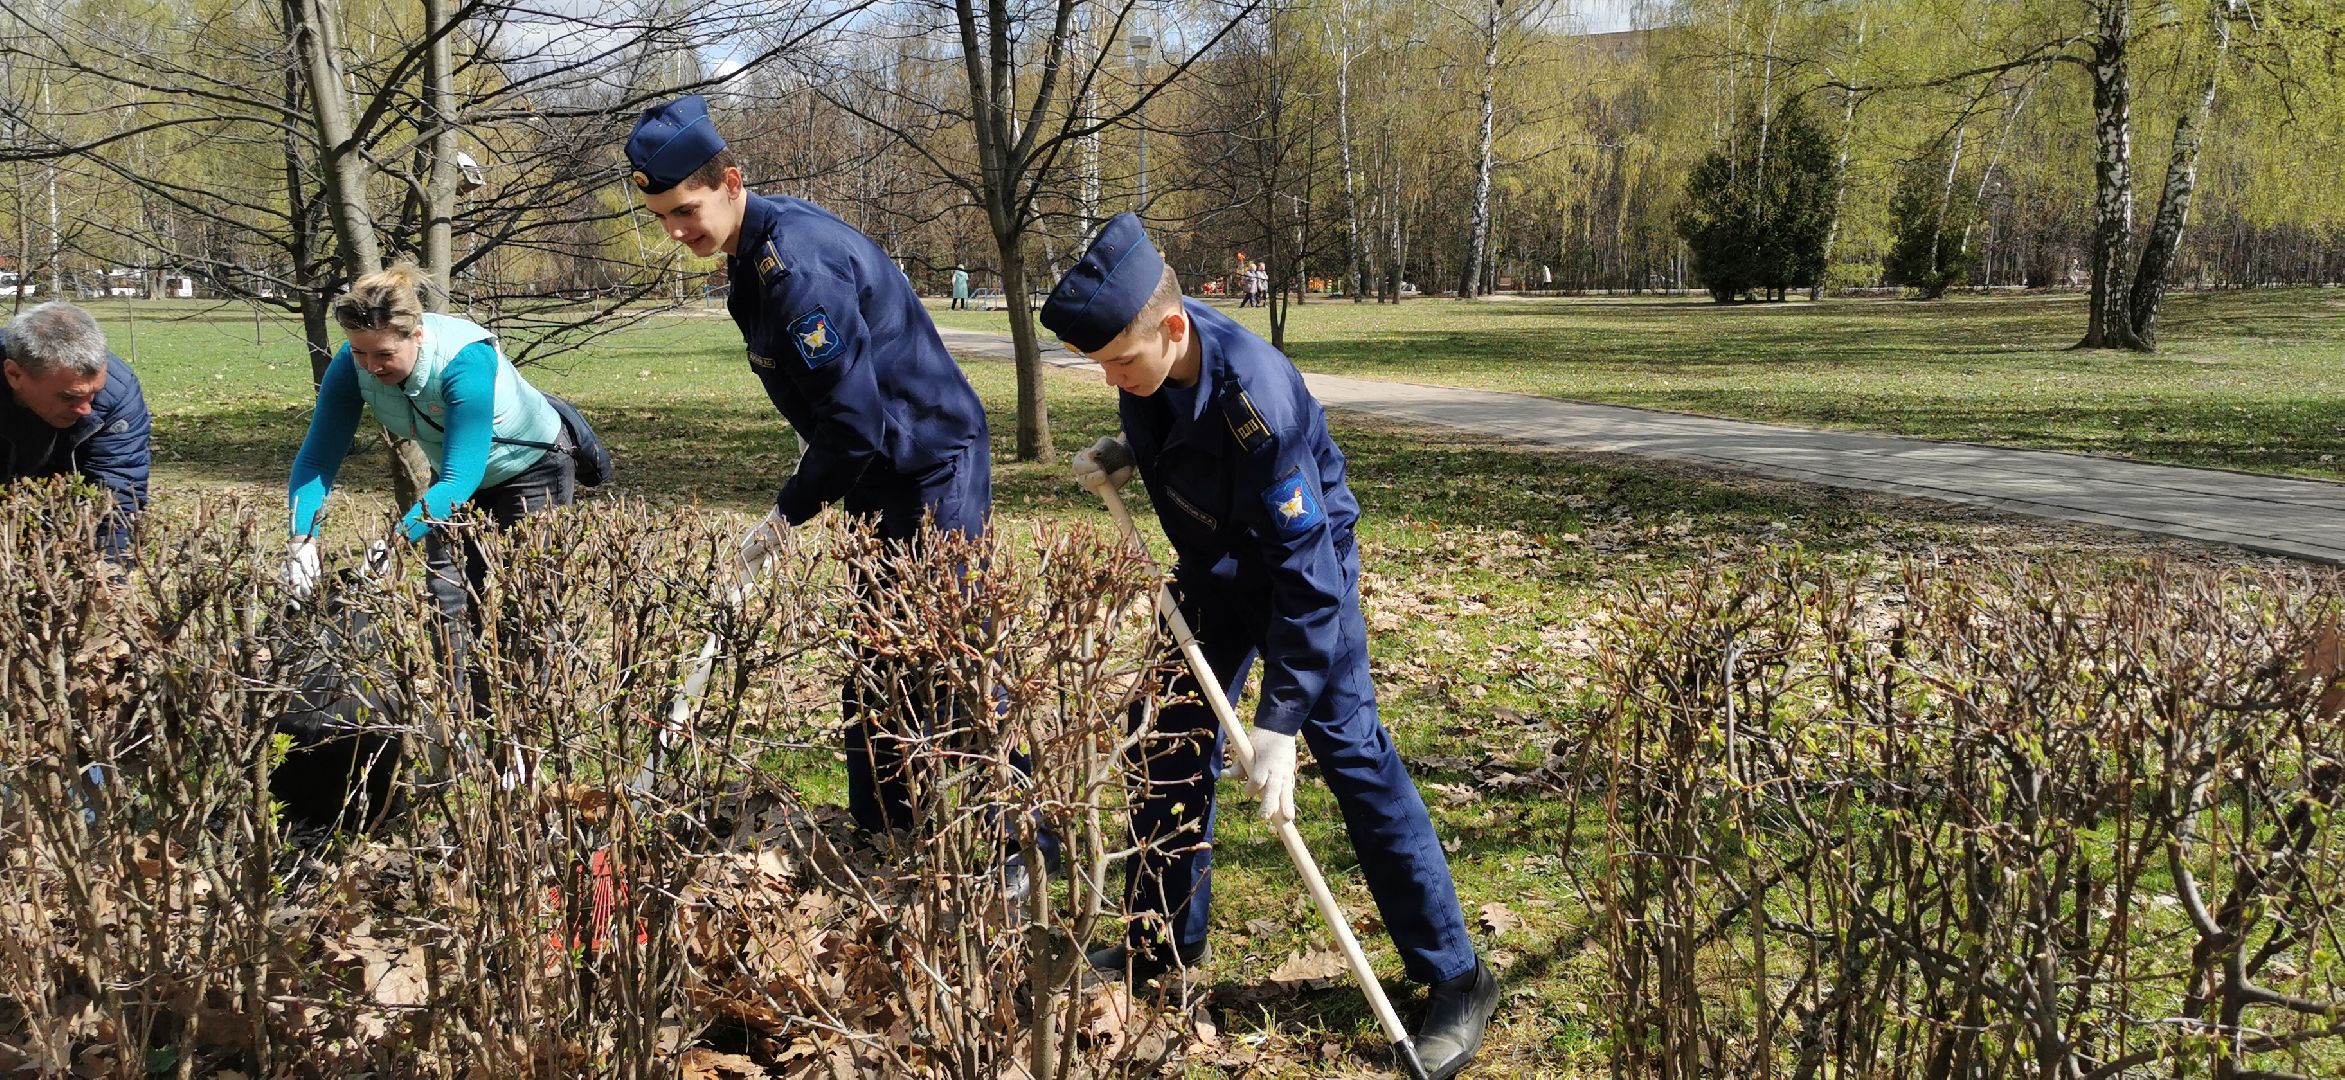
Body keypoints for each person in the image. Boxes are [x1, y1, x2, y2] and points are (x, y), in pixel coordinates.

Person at [1041, 213, 1499, 1080]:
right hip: (1212, 574)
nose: (1110, 378)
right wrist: (1124, 453)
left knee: (1352, 754)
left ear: (1172, 328)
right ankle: (1159, 946)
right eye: (1098, 365)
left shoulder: (1259, 399)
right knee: (1165, 739)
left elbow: (1310, 578)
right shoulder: (1149, 358)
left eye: (1117, 363)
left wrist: (1280, 723)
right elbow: (1172, 429)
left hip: (1301, 579)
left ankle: (1456, 977)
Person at [624, 94, 997, 839]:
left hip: (927, 466)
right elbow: (830, 404)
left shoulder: (797, 271)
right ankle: (883, 832)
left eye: (686, 210)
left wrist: (789, 509)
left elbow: (855, 422)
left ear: (732, 181)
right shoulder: (751, 251)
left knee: (946, 664)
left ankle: (1018, 843)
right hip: (872, 473)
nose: (674, 230)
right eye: (662, 215)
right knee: (878, 657)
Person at [281, 264, 576, 699]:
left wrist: (393, 544)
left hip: (531, 468)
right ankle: (458, 721)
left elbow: (460, 480)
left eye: (383, 355)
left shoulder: (465, 361)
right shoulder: (352, 364)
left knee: (529, 600)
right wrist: (301, 541)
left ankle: (523, 729)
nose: (371, 366)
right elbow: (318, 458)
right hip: (454, 476)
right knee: (448, 596)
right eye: (360, 353)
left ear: (416, 335)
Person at [0, 301, 150, 555]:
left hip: (57, 527)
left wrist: (109, 575)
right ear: (14, 375)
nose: (86, 410)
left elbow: (118, 495)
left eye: (94, 393)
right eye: (68, 397)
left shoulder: (118, 392)